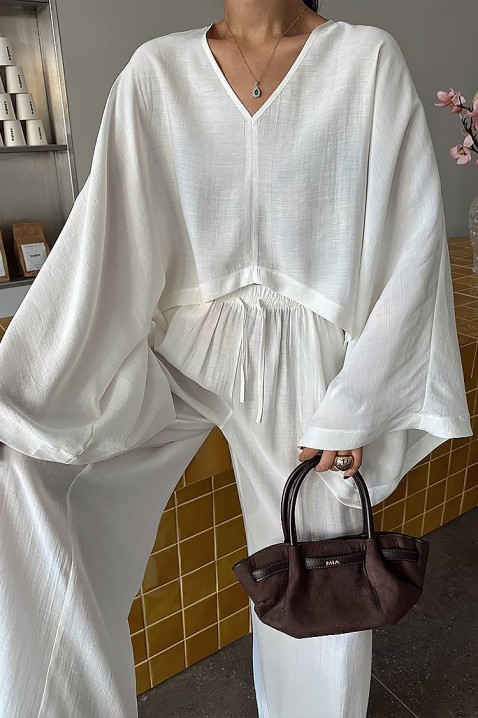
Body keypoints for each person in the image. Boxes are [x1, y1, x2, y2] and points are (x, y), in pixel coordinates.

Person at [0, 1, 472, 716]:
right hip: (178, 354)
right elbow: (103, 236)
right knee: (29, 467)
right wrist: (25, 380)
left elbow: (413, 238)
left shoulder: (363, 60)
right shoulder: (156, 72)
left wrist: (359, 402)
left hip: (308, 371)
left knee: (320, 600)